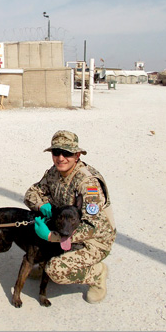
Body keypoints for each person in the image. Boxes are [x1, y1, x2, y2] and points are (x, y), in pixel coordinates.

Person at [24, 130, 116, 304]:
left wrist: (52, 237)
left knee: (56, 270)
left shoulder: (88, 184)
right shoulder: (54, 172)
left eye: (67, 153)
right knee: (35, 226)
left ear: (77, 155)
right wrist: (41, 205)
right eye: (56, 152)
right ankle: (48, 259)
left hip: (94, 240)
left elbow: (92, 226)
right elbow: (32, 193)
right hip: (66, 228)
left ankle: (97, 274)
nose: (60, 158)